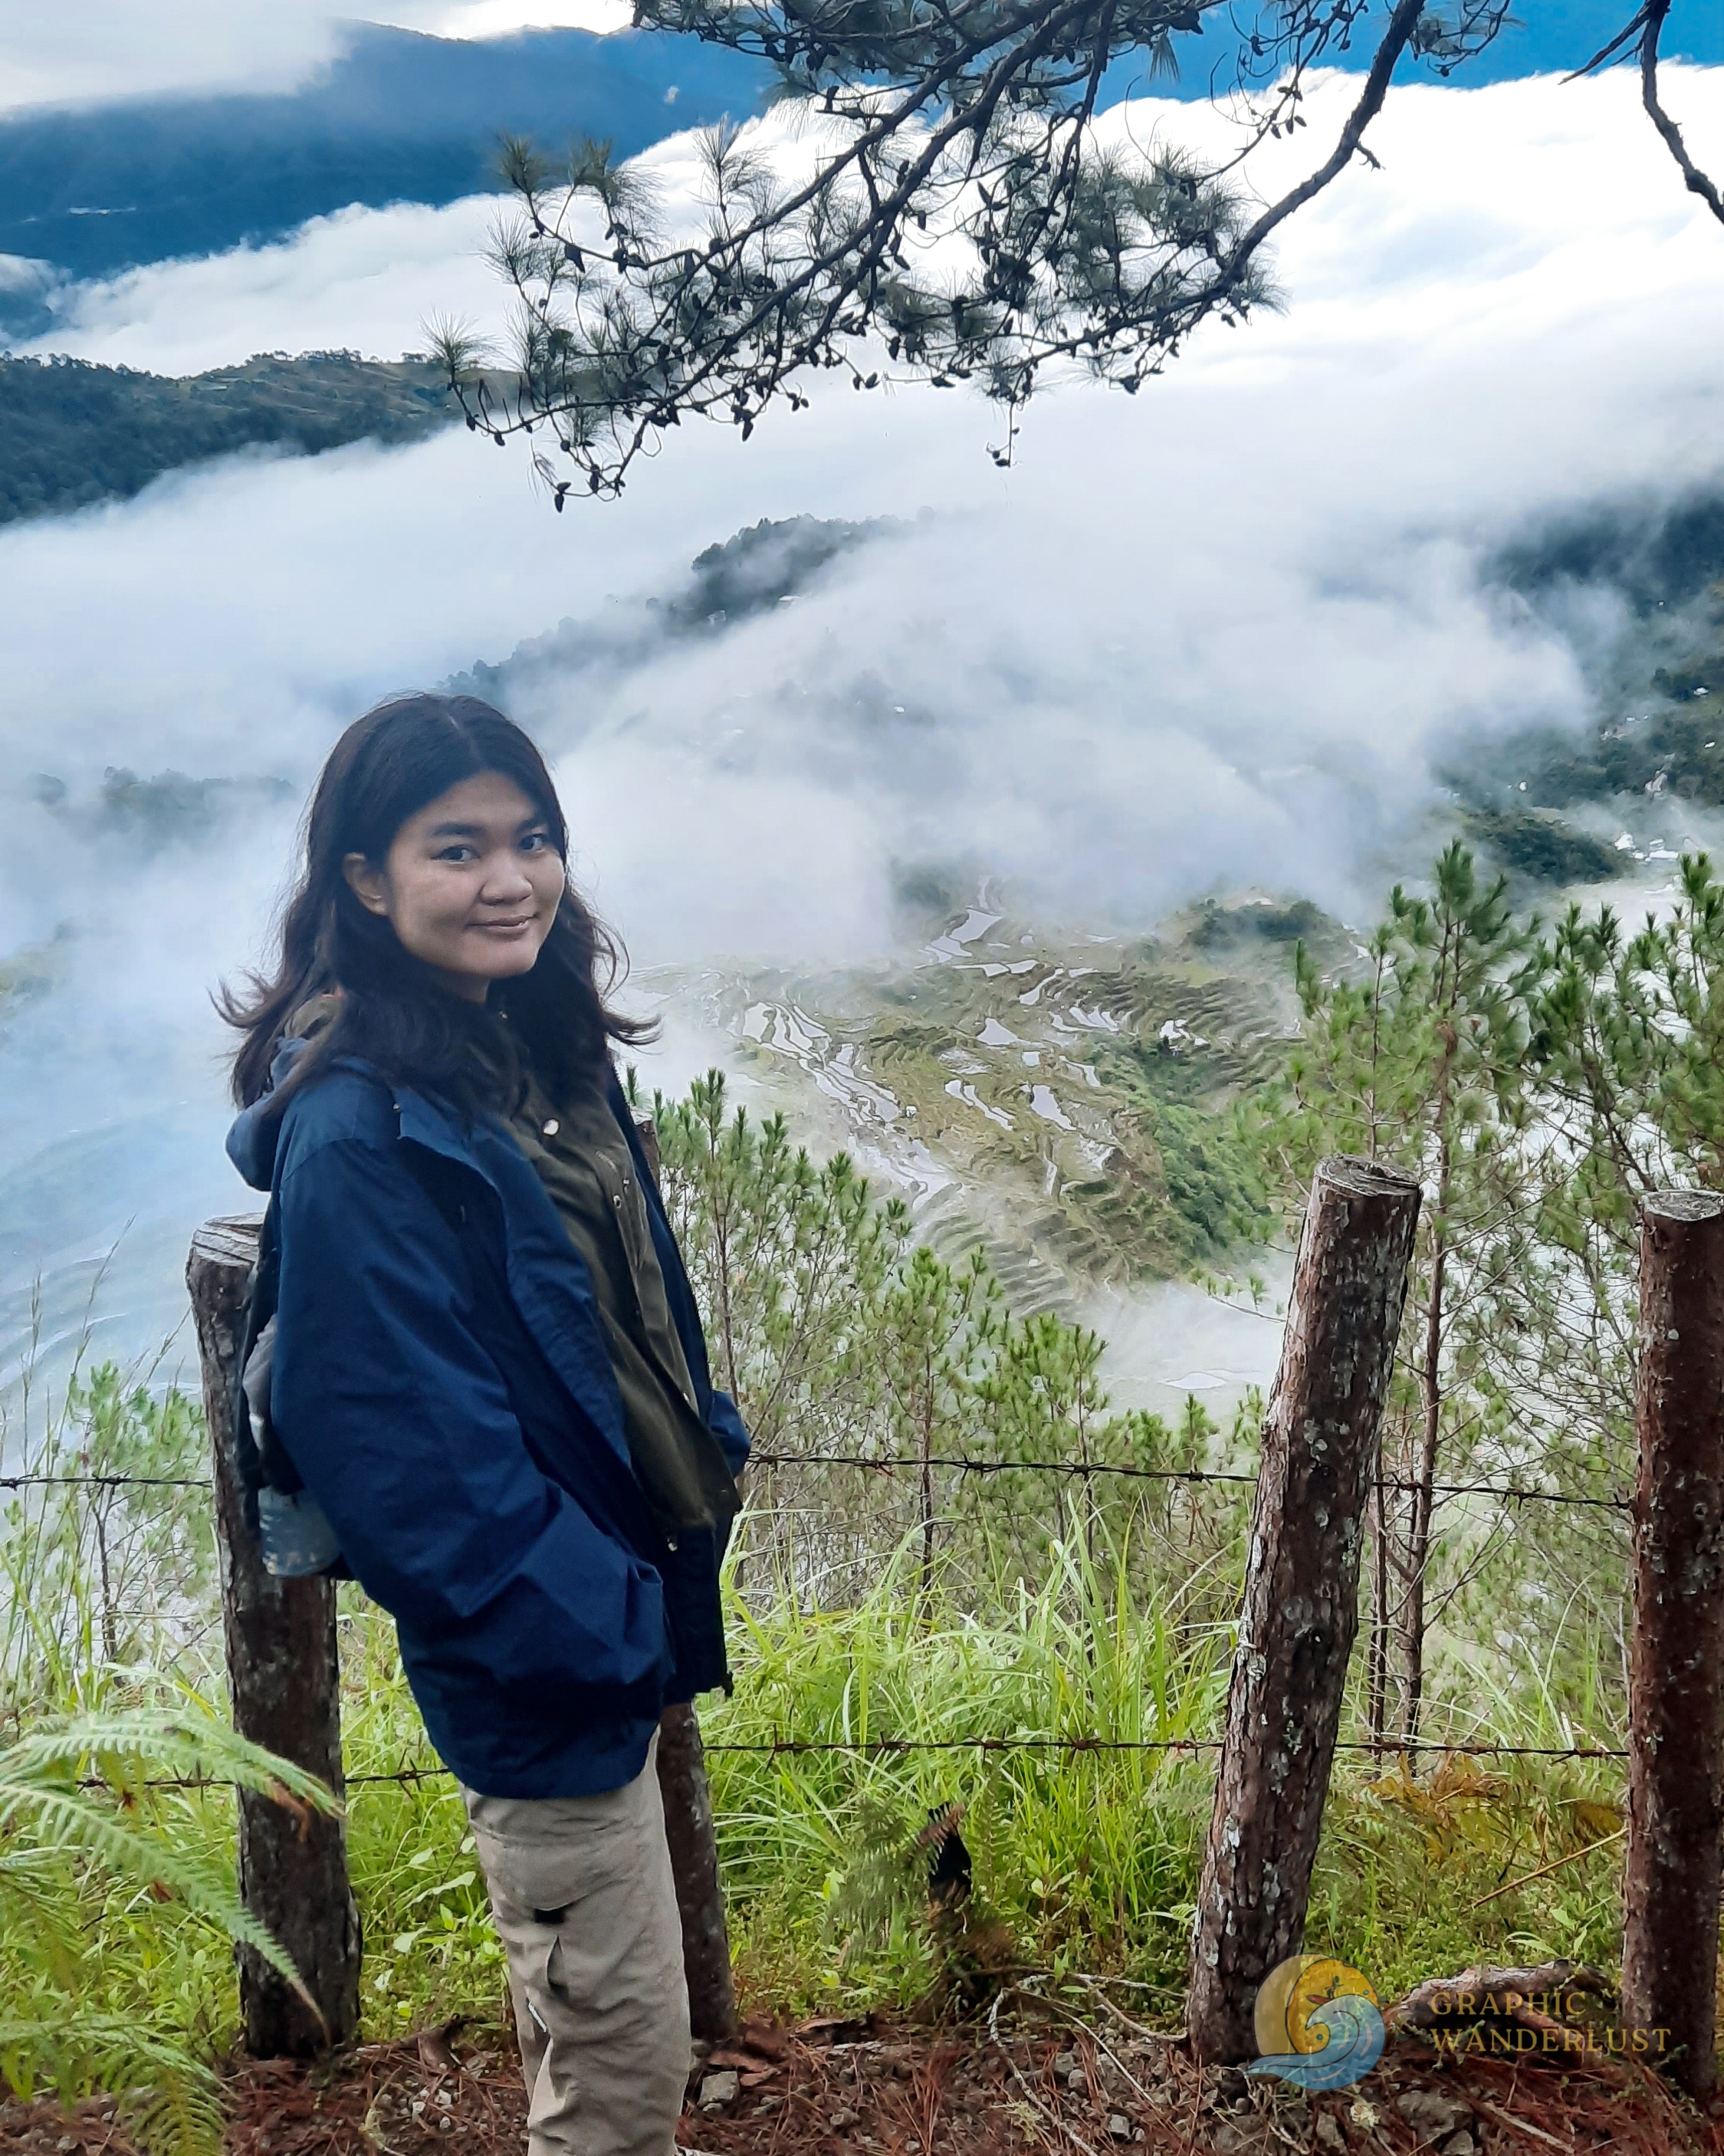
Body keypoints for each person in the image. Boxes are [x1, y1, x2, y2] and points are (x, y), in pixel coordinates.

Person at [222, 692, 747, 2156]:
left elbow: (613, 1317)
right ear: (364, 881)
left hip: (609, 1614)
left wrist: (702, 1458)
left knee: (611, 2038)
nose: (509, 879)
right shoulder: (359, 1133)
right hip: (551, 1657)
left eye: (532, 840)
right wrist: (586, 1618)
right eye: (456, 849)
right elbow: (397, 1454)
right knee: (621, 2082)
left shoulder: (527, 1052)